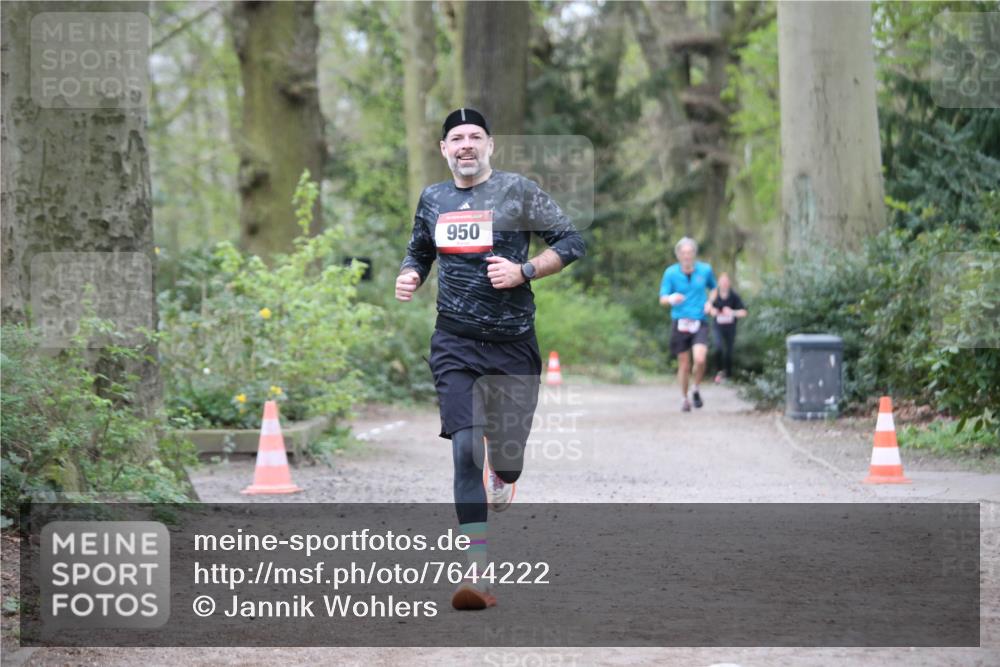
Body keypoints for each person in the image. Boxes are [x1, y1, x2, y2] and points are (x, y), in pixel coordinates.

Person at [396, 108, 586, 610]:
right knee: (464, 452)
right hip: (454, 343)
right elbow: (419, 251)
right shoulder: (433, 200)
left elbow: (572, 242)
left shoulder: (517, 192)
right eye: (455, 137)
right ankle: (476, 576)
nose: (465, 144)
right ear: (443, 149)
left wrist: (524, 270)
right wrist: (410, 275)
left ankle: (506, 476)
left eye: (474, 136)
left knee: (507, 458)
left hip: (512, 344)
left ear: (489, 145)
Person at [659, 237, 716, 412]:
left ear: (694, 254)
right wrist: (671, 298)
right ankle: (684, 398)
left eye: (690, 252)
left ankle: (696, 388)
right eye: (683, 253)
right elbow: (662, 299)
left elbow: (714, 288)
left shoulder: (705, 270)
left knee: (700, 359)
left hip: (700, 320)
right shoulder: (670, 273)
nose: (687, 256)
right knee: (683, 364)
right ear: (678, 255)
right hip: (680, 322)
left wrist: (710, 303)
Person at [709, 272, 748, 383]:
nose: (724, 284)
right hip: (718, 326)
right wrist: (715, 312)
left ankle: (728, 375)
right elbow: (709, 309)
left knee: (729, 351)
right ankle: (718, 372)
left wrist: (732, 312)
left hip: (730, 327)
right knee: (718, 347)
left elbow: (744, 312)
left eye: (726, 282)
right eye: (722, 282)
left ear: (729, 283)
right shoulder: (714, 295)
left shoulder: (734, 296)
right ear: (719, 283)